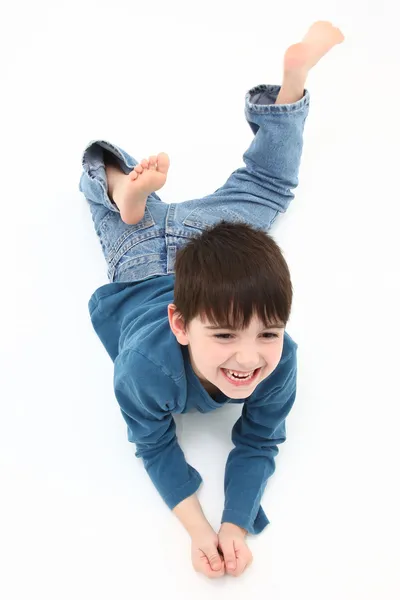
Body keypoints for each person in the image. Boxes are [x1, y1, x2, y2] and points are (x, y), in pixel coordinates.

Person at [79, 21, 344, 579]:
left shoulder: (281, 357)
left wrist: (234, 524)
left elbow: (262, 436)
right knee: (110, 186)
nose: (250, 358)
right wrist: (199, 529)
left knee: (269, 188)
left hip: (218, 246)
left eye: (267, 333)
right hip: (146, 259)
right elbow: (151, 444)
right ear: (178, 325)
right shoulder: (146, 366)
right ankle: (123, 192)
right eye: (225, 336)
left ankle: (127, 187)